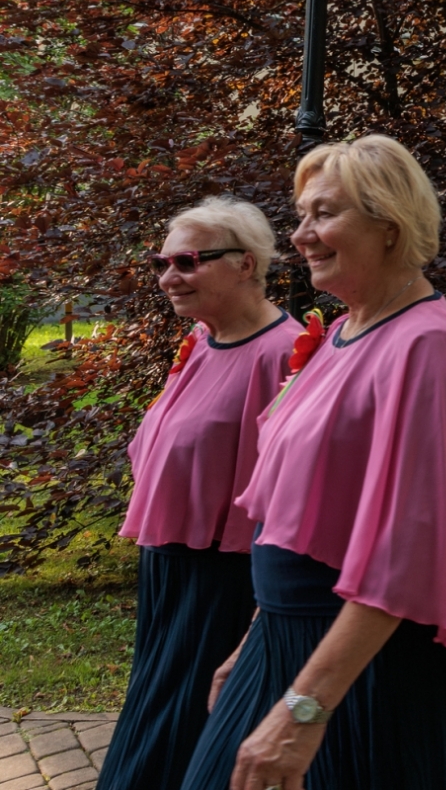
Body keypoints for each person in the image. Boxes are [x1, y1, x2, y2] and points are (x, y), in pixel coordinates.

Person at [182, 136, 446, 790]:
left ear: (389, 224)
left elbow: (406, 553)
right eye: (302, 213)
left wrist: (305, 706)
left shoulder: (426, 345)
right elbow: (301, 517)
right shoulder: (342, 333)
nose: (301, 233)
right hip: (287, 641)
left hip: (368, 668)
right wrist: (256, 637)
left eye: (323, 214)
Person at [98, 197, 299, 790]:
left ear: (245, 263)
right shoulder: (204, 340)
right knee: (157, 714)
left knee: (180, 731)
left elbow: (288, 491)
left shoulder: (282, 353)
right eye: (163, 261)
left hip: (224, 580)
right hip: (169, 569)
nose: (168, 276)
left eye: (188, 261)